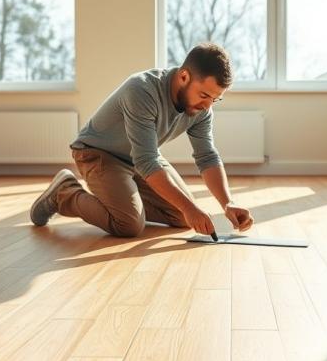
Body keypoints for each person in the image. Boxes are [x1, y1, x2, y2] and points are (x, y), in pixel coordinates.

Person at [30, 42, 254, 238]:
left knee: (183, 216)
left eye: (216, 99)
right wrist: (189, 207)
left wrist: (227, 203)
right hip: (98, 154)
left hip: (139, 157)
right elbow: (147, 160)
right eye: (204, 95)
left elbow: (207, 157)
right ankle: (64, 193)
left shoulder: (203, 109)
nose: (207, 105)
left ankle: (126, 198)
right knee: (128, 224)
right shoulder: (142, 90)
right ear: (184, 76)